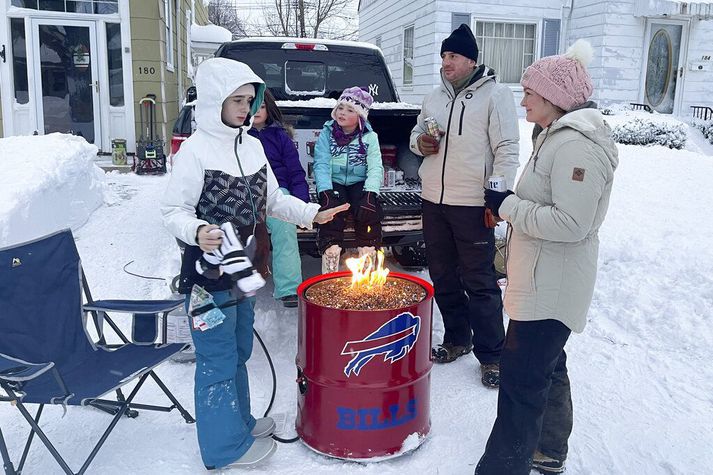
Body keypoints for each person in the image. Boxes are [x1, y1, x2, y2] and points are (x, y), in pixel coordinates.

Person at [161, 58, 347, 470]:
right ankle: (223, 448)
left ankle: (240, 422)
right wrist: (195, 231)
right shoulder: (195, 150)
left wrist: (311, 213)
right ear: (215, 102)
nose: (246, 108)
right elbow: (172, 208)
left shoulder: (252, 145)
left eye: (250, 99)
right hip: (209, 272)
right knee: (217, 357)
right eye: (237, 100)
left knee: (240, 346)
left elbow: (275, 200)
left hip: (245, 266)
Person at [475, 40, 618, 475]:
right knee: (548, 366)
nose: (523, 101)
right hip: (541, 279)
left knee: (521, 382)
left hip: (552, 286)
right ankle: (549, 450)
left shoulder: (576, 147)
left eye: (529, 94)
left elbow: (572, 224)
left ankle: (502, 468)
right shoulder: (554, 137)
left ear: (554, 98)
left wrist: (508, 205)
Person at [409, 23, 520, 387]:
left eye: (452, 56)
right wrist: (420, 143)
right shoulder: (434, 97)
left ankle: (493, 356)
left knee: (480, 280)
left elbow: (506, 148)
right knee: (441, 275)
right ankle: (458, 338)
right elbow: (415, 136)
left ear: (471, 60)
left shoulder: (495, 95)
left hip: (472, 203)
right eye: (443, 56)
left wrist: (498, 194)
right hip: (433, 201)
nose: (446, 62)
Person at [248, 88, 309, 308]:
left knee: (284, 227)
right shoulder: (237, 137)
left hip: (279, 192)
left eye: (261, 107)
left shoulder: (280, 137)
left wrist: (301, 205)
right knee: (241, 231)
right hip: (246, 191)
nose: (256, 111)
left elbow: (295, 172)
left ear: (269, 109)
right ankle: (239, 283)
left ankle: (289, 288)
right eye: (252, 105)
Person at [313, 86, 384, 273]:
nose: (342, 113)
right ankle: (331, 251)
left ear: (360, 116)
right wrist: (325, 192)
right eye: (340, 107)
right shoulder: (327, 134)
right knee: (333, 211)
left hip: (359, 181)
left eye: (350, 110)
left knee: (368, 211)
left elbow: (376, 167)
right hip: (334, 181)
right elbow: (321, 164)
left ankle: (368, 252)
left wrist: (371, 193)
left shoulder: (370, 137)